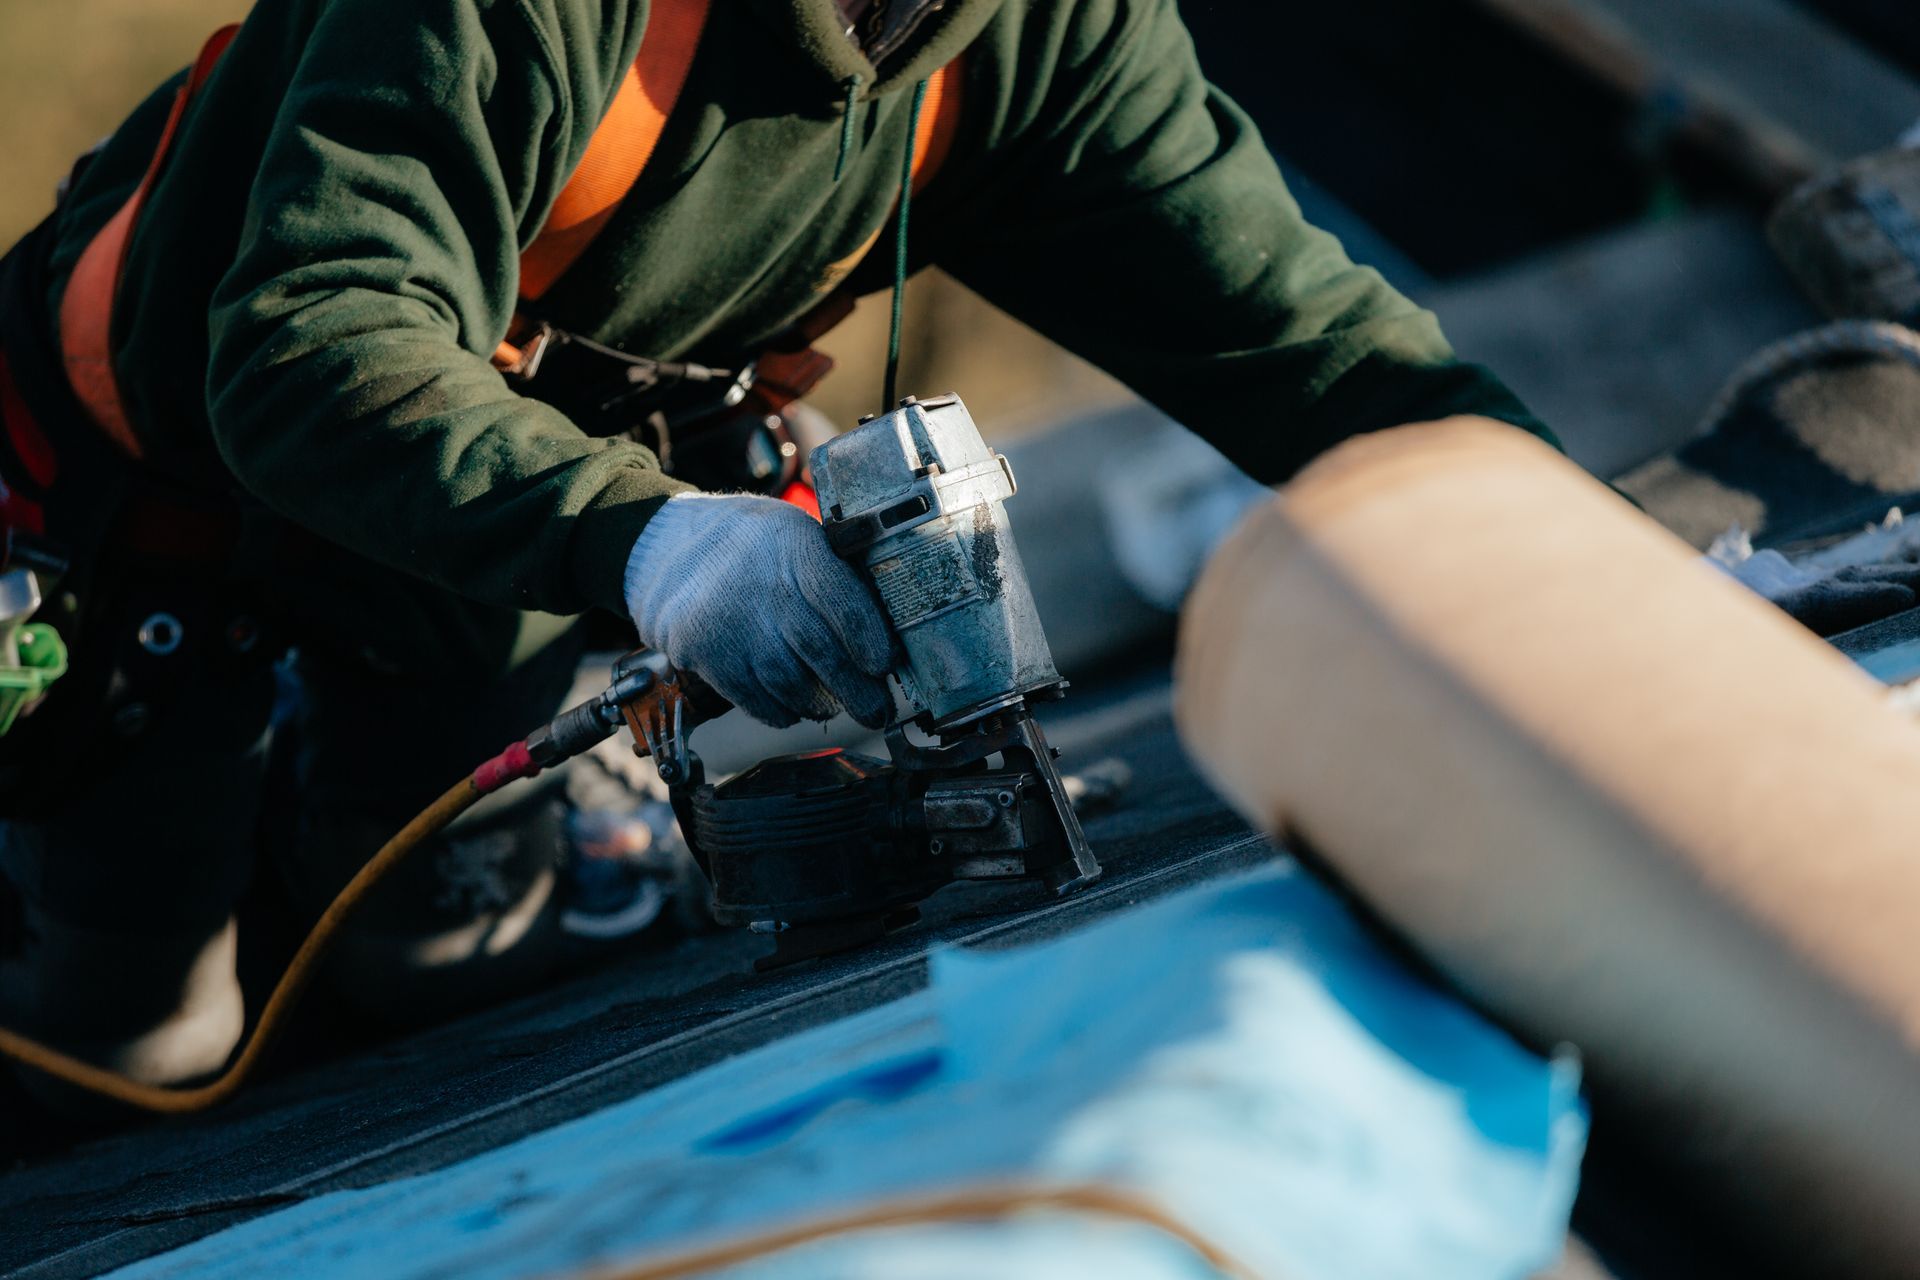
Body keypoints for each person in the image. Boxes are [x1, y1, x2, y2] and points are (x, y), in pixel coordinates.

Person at [0, 0, 1549, 1103]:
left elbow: (1310, 354)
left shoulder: (1030, 34)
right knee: (134, 1039)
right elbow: (305, 345)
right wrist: (658, 546)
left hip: (463, 565)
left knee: (444, 963)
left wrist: (1584, 573)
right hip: (128, 528)